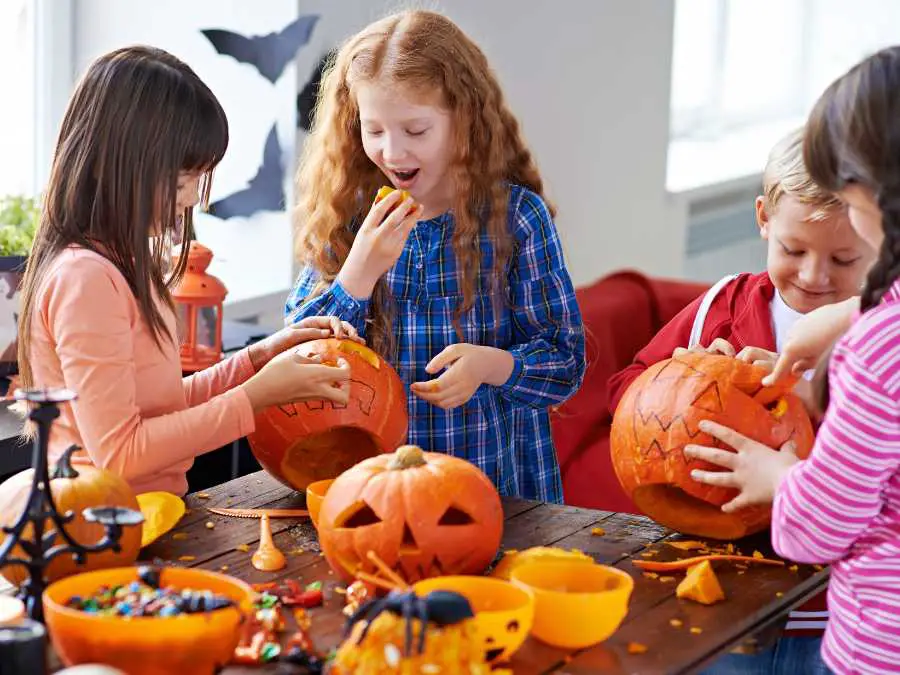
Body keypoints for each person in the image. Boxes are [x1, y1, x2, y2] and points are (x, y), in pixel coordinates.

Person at [17, 45, 353, 497]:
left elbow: (162, 411)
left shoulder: (126, 264)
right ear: (121, 166)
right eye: (180, 183)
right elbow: (122, 454)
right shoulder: (86, 279)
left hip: (149, 518)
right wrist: (255, 398)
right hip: (101, 534)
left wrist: (257, 360)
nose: (193, 198)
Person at [284, 10, 585, 502]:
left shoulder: (517, 218)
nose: (392, 151)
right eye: (373, 129)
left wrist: (493, 366)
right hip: (370, 494)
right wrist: (356, 277)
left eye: (416, 130)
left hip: (492, 495)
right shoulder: (350, 217)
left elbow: (566, 362)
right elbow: (295, 360)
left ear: (464, 120)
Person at [686, 46, 900, 674]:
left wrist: (774, 473)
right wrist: (844, 315)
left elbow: (817, 528)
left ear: (871, 195)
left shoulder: (877, 352)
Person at [608, 127, 874, 415]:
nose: (812, 275)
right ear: (764, 218)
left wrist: (812, 400)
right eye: (793, 250)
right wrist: (679, 378)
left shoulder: (881, 336)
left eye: (842, 260)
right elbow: (623, 392)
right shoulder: (723, 306)